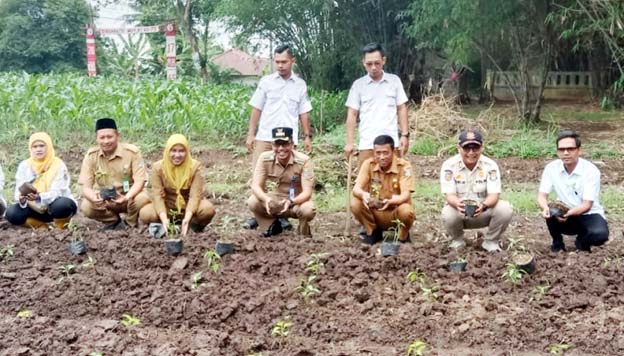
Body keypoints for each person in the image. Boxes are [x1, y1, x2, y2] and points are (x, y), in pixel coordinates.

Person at [244, 44, 313, 230]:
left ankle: (284, 213)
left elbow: (304, 111)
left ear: (292, 61)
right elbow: (256, 108)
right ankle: (260, 214)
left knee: (289, 178)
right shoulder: (266, 82)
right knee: (260, 176)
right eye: (277, 62)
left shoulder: (300, 85)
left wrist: (307, 136)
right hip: (265, 136)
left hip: (288, 139)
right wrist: (251, 133)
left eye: (284, 62)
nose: (280, 65)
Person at [440, 129, 513, 252]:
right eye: (466, 148)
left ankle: (491, 241)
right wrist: (457, 204)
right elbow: (450, 194)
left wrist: (483, 206)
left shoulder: (490, 166)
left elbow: (494, 195)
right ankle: (457, 240)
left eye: (475, 148)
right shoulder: (449, 166)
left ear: (482, 148)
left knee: (505, 208)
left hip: (483, 211)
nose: (471, 152)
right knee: (447, 213)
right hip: (460, 212)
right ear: (459, 148)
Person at [537, 129, 608, 252]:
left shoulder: (591, 171)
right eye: (561, 149)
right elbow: (542, 196)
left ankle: (582, 243)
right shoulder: (551, 168)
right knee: (551, 210)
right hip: (564, 214)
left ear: (579, 150)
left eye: (570, 149)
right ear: (557, 151)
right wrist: (545, 208)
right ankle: (557, 244)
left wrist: (569, 213)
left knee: (599, 235)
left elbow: (587, 204)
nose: (565, 153)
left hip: (588, 214)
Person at [344, 42, 410, 167]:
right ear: (363, 62)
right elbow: (352, 114)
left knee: (393, 181)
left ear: (383, 60)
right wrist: (349, 142)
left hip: (391, 143)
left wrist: (405, 135)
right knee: (365, 183)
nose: (373, 67)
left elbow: (401, 108)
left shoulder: (394, 81)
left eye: (377, 63)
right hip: (367, 144)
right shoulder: (358, 85)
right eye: (369, 64)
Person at [78, 118, 149, 230]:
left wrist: (126, 198)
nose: (106, 141)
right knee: (86, 206)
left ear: (117, 136)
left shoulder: (131, 153)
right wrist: (94, 197)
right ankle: (113, 220)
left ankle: (130, 222)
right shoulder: (91, 156)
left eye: (109, 137)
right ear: (96, 138)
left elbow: (139, 181)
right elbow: (86, 187)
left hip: (128, 198)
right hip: (106, 200)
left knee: (143, 197)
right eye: (102, 137)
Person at [139, 134, 215, 236]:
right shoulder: (158, 168)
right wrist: (164, 219)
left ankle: (192, 228)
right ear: (167, 151)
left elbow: (194, 196)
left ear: (187, 152)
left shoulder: (195, 167)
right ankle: (164, 227)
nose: (177, 155)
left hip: (188, 208)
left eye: (181, 151)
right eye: (173, 150)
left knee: (207, 209)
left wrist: (187, 218)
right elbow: (158, 196)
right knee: (146, 213)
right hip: (168, 208)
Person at [248, 127, 315, 237]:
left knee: (308, 210)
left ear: (292, 144)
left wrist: (291, 202)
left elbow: (307, 192)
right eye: (277, 145)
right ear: (272, 145)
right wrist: (266, 199)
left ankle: (304, 235)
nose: (280, 148)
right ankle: (271, 227)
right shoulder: (265, 158)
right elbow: (255, 185)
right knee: (253, 201)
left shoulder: (304, 161)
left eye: (285, 144)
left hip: (296, 201)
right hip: (275, 200)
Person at [350, 135, 415, 244]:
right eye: (378, 153)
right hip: (375, 211)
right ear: (373, 152)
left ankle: (402, 236)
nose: (382, 157)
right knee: (355, 203)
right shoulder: (368, 164)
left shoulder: (404, 166)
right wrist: (363, 195)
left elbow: (405, 195)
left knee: (406, 210)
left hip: (395, 212)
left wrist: (394, 201)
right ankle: (372, 231)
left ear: (393, 151)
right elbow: (356, 189)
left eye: (385, 153)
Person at [5, 132, 77, 229]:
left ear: (49, 146)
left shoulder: (58, 164)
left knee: (62, 205)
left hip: (54, 206)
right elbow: (18, 189)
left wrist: (39, 197)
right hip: (34, 207)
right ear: (30, 149)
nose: (38, 149)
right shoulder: (24, 165)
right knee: (12, 213)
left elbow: (57, 193)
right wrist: (22, 199)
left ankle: (61, 228)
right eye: (35, 147)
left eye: (42, 146)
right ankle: (41, 227)